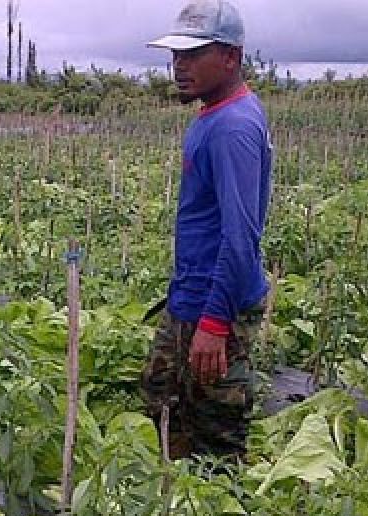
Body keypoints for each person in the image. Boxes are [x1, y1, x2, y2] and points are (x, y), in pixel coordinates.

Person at [142, 0, 272, 459]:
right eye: (176, 55)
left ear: (231, 57)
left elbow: (241, 236)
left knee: (216, 436)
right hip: (190, 296)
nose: (180, 67)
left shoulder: (232, 126)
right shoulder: (212, 114)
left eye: (193, 55)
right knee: (163, 408)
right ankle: (171, 511)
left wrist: (215, 322)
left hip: (217, 306)